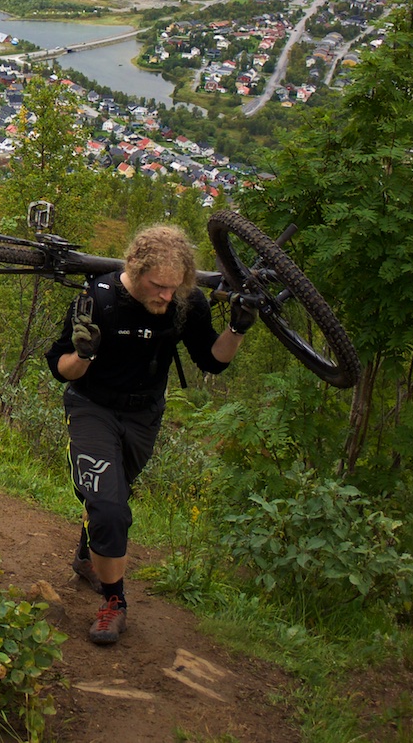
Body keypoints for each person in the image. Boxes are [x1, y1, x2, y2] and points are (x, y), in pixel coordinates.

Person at [44, 224, 256, 645]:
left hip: (143, 415)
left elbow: (212, 362)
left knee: (113, 496)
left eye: (174, 287)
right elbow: (59, 368)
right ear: (136, 270)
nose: (165, 295)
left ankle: (88, 556)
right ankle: (113, 603)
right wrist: (84, 353)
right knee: (109, 507)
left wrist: (238, 328)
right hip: (92, 407)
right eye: (158, 286)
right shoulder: (97, 299)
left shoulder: (185, 302)